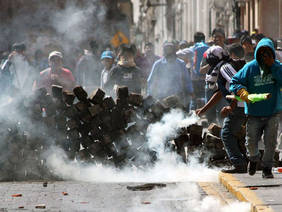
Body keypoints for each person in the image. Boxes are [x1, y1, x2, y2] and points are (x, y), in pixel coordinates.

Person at [230, 38, 282, 178]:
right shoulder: (250, 67)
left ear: (272, 53)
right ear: (257, 53)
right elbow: (235, 81)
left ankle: (267, 168)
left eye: (268, 53)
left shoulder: (277, 66)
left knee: (270, 142)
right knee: (251, 140)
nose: (264, 56)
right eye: (262, 52)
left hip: (273, 112)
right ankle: (253, 159)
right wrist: (241, 90)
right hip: (254, 113)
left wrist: (274, 67)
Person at [196, 45, 247, 173]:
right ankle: (249, 160)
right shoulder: (225, 66)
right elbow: (219, 93)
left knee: (226, 134)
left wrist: (231, 106)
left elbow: (238, 84)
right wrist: (203, 109)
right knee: (241, 133)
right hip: (242, 105)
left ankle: (239, 163)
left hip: (240, 106)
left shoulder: (225, 67)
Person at [147, 41, 193, 109]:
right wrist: (150, 95)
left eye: (170, 49)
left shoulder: (181, 63)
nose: (169, 51)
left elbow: (186, 80)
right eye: (167, 49)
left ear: (174, 50)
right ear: (164, 51)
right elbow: (151, 81)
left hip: (177, 98)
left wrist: (190, 91)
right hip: (162, 99)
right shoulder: (158, 64)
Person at [199, 28, 228, 124]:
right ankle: (212, 135)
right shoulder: (208, 53)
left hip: (225, 86)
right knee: (209, 112)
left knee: (222, 111)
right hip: (211, 86)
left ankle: (222, 134)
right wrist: (211, 64)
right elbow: (201, 70)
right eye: (215, 37)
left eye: (220, 37)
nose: (217, 39)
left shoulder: (228, 51)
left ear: (224, 38)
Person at [190, 32, 209, 110]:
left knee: (194, 97)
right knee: (205, 95)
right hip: (206, 77)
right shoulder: (209, 47)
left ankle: (192, 114)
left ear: (194, 40)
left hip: (195, 78)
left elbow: (178, 54)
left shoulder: (192, 49)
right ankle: (206, 112)